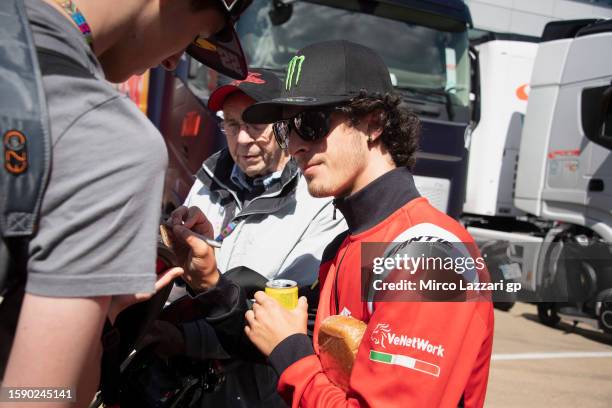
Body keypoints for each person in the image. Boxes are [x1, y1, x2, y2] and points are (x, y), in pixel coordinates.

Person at [169, 40, 494, 407]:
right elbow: (267, 340)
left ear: (373, 122)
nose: (293, 147)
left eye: (309, 123)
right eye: (284, 130)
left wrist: (291, 352)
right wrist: (208, 279)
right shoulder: (345, 247)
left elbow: (289, 352)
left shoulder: (432, 256)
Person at [1, 0, 253, 406]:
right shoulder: (109, 141)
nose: (173, 62)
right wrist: (108, 314)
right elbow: (40, 396)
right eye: (195, 36)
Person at [161, 68, 346, 407]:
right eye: (231, 125)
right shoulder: (209, 176)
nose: (243, 139)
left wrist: (187, 336)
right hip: (189, 383)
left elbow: (286, 323)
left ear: (283, 127)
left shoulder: (317, 198)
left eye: (254, 125)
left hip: (262, 393)